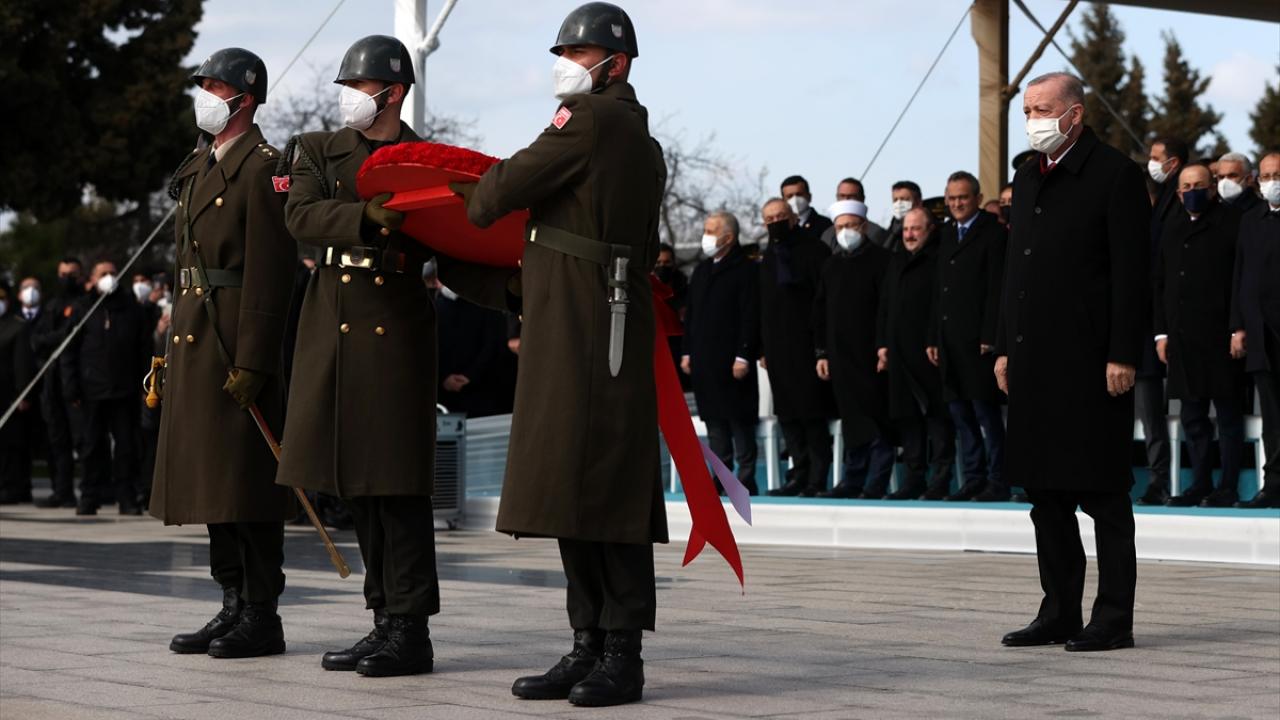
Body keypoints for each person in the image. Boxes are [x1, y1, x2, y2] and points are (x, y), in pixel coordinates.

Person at [448, 3, 666, 706]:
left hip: (586, 326)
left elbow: (500, 194)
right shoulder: (630, 131)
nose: (564, 64)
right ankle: (590, 643)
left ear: (615, 62)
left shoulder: (596, 121)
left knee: (603, 487)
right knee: (581, 484)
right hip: (580, 317)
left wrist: (472, 193)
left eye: (577, 53)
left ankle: (619, 653)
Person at [277, 34, 442, 678]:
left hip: (396, 327)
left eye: (359, 86)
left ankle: (411, 628)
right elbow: (302, 215)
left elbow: (457, 238)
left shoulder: (426, 158)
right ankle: (384, 621)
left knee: (397, 485)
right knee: (358, 487)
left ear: (393, 92)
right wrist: (369, 216)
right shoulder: (319, 150)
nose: (348, 98)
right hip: (332, 326)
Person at [148, 48, 297, 660]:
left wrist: (256, 358)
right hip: (195, 338)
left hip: (234, 338)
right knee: (214, 481)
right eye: (202, 84)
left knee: (246, 482)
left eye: (214, 86)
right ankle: (231, 601)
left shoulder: (264, 168)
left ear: (245, 97)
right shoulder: (199, 165)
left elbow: (271, 271)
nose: (203, 95)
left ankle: (261, 612)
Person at [997, 72, 1148, 653]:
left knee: (1103, 493)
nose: (1032, 117)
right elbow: (1016, 269)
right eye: (1027, 109)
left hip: (1091, 361)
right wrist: (1005, 343)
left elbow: (1131, 275)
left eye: (1041, 108)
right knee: (1046, 496)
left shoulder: (1115, 175)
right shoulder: (1028, 175)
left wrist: (1121, 353)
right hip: (1035, 359)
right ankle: (1058, 610)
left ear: (1075, 113)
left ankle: (1113, 618)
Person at [1154, 164, 1247, 508]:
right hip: (1181, 338)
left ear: (1211, 189)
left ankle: (1228, 486)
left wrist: (1239, 327)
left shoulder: (1232, 223)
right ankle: (1200, 483)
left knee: (1227, 417)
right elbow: (1160, 282)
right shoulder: (1172, 226)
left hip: (1221, 336)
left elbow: (1240, 279)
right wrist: (1160, 333)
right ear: (1178, 193)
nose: (1192, 191)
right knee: (1193, 417)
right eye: (1186, 186)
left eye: (1199, 185)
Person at [929, 171, 1008, 502]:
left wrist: (991, 334)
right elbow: (938, 290)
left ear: (976, 198)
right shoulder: (944, 234)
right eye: (951, 198)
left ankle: (998, 479)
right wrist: (933, 336)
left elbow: (997, 289)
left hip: (979, 342)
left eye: (962, 197)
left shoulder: (993, 233)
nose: (956, 203)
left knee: (985, 415)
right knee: (961, 416)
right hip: (949, 341)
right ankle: (973, 478)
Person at [814, 200, 894, 498]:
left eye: (850, 226)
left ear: (863, 226)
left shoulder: (883, 260)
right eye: (840, 228)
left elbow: (887, 308)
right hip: (840, 356)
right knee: (852, 422)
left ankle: (876, 482)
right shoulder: (831, 265)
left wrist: (883, 346)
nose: (845, 232)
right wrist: (821, 352)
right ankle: (852, 479)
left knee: (876, 419)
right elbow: (819, 312)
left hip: (873, 355)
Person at [759, 197, 836, 497]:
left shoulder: (815, 250)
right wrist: (762, 348)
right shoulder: (768, 256)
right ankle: (798, 474)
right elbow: (763, 305)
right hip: (778, 350)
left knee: (812, 414)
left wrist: (821, 348)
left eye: (780, 216)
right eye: (769, 218)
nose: (775, 222)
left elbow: (823, 301)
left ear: (792, 217)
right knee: (788, 416)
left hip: (807, 346)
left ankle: (817, 478)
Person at [60, 260, 151, 516]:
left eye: (113, 273)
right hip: (91, 391)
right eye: (103, 274)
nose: (109, 277)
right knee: (90, 446)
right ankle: (89, 496)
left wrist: (144, 384)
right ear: (92, 278)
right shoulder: (82, 308)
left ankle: (126, 497)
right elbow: (69, 352)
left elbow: (144, 349)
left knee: (126, 446)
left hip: (124, 390)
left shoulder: (131, 309)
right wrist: (72, 388)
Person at [879, 207, 955, 500]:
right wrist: (882, 345)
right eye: (906, 229)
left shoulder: (939, 258)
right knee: (907, 418)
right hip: (898, 352)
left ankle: (941, 479)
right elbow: (885, 305)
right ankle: (913, 479)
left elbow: (941, 304)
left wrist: (934, 339)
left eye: (916, 229)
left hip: (929, 351)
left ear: (930, 230)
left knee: (937, 418)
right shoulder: (896, 259)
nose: (909, 234)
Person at [683, 211, 761, 496]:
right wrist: (687, 351)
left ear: (728, 237)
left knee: (739, 422)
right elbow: (691, 315)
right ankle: (722, 476)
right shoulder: (702, 271)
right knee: (715, 423)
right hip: (705, 360)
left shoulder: (746, 270)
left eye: (712, 231)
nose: (707, 236)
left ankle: (746, 476)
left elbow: (750, 315)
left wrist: (743, 354)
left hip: (732, 361)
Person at [1134, 136, 1187, 505]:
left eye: (1156, 157)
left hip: (1158, 326)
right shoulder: (1155, 211)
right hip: (1136, 328)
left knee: (1154, 416)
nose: (1151, 163)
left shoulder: (1173, 205)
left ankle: (1159, 480)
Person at [1230, 151, 1280, 508]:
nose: (1271, 181)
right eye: (1265, 176)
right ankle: (1274, 484)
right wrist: (1238, 327)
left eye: (1276, 174)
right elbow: (1241, 276)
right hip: (1261, 335)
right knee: (1272, 417)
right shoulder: (1251, 220)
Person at [31, 258, 85, 509]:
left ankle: (90, 490)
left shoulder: (85, 304)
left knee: (83, 440)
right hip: (51, 381)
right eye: (63, 274)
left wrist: (57, 338)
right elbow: (37, 340)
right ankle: (61, 490)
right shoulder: (51, 305)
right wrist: (60, 336)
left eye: (72, 274)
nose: (66, 279)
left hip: (76, 381)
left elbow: (77, 336)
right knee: (56, 440)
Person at [0, 283, 37, 504]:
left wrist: (24, 393)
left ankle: (12, 487)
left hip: (9, 395)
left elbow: (23, 363)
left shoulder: (16, 326)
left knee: (11, 445)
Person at [819, 177, 888, 249]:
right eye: (842, 196)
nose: (846, 201)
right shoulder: (827, 234)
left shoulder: (877, 233)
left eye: (851, 197)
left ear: (862, 199)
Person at [780, 175, 832, 242]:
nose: (795, 199)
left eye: (799, 194)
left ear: (809, 196)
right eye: (789, 196)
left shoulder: (825, 224)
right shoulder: (781, 227)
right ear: (783, 201)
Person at [883, 180, 923, 251]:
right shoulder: (888, 233)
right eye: (895, 200)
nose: (899, 204)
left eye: (904, 199)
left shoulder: (928, 231)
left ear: (918, 202)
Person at [1216, 151, 1261, 216]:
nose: (1225, 181)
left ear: (1249, 179)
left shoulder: (1262, 210)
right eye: (1221, 177)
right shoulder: (1213, 212)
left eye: (1232, 176)